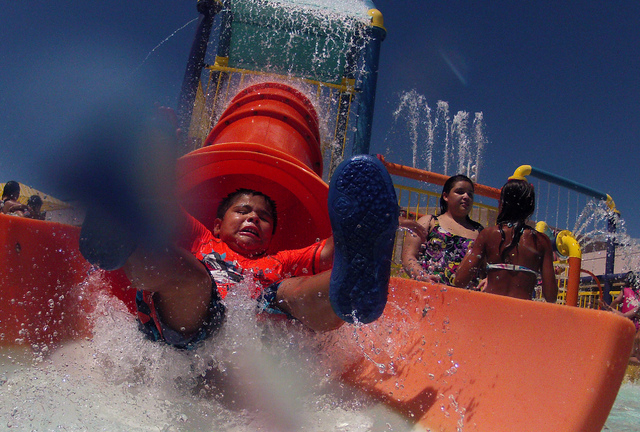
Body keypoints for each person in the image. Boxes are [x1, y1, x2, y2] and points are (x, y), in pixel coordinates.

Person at [79, 154, 400, 349]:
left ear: (270, 237)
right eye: (243, 211)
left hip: (255, 333)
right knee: (193, 278)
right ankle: (123, 234)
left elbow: (331, 250)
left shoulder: (279, 260)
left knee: (289, 291)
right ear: (218, 225)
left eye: (263, 217)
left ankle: (353, 289)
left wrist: (363, 216)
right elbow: (166, 210)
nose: (253, 218)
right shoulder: (204, 239)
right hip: (189, 326)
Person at [454, 179, 558, 302]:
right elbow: (551, 296)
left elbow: (459, 281)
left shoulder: (488, 235)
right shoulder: (541, 241)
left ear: (502, 204)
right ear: (530, 207)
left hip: (491, 306)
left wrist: (471, 250)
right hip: (522, 310)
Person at [400, 174, 483, 286]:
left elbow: (489, 267)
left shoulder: (480, 232)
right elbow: (408, 256)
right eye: (460, 192)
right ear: (445, 196)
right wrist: (423, 276)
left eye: (470, 194)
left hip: (466, 294)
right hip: (429, 289)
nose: (466, 196)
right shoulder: (429, 222)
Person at [603, 272, 640, 364]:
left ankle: (620, 359)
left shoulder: (625, 290)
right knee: (633, 350)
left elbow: (617, 300)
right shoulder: (638, 294)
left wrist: (610, 307)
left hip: (627, 323)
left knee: (628, 350)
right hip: (636, 323)